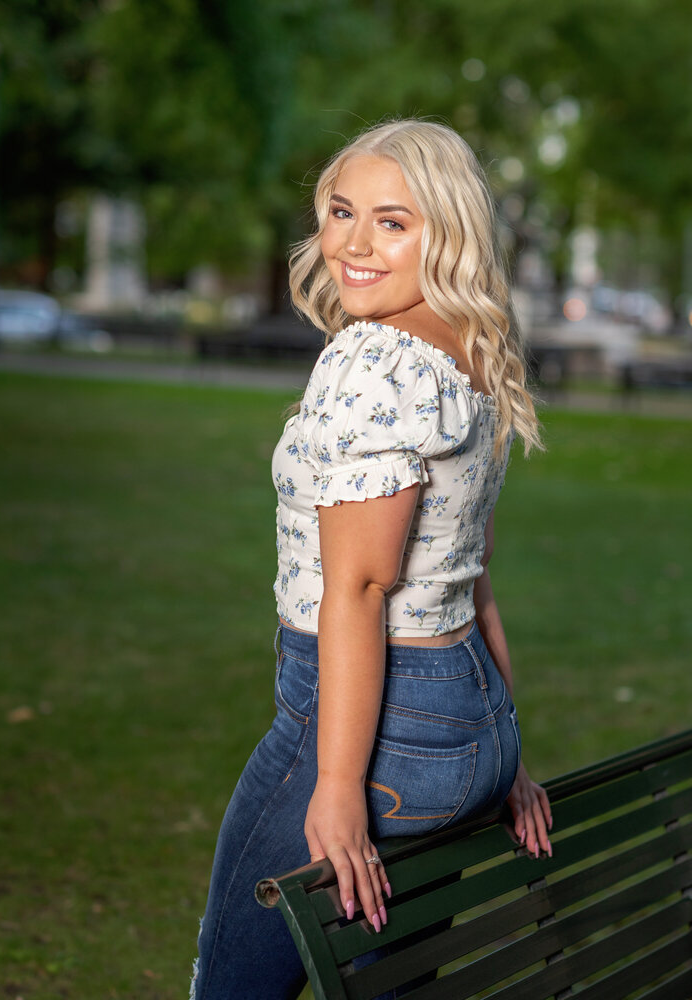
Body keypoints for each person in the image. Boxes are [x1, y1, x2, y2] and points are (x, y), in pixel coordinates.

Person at [191, 118, 552, 1000]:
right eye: (342, 212)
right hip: (462, 726)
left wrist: (339, 783)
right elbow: (473, 582)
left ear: (449, 231)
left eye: (393, 222)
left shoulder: (373, 361)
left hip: (370, 730)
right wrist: (500, 753)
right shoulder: (470, 351)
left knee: (231, 984)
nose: (352, 244)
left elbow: (356, 590)